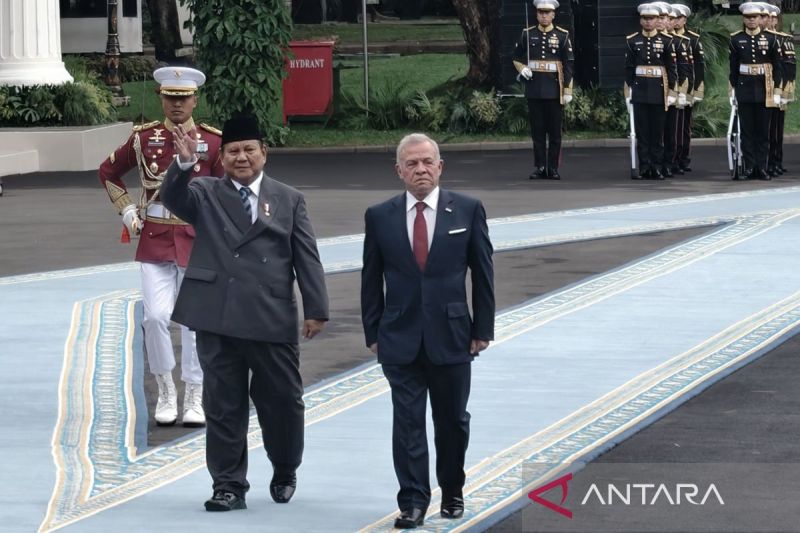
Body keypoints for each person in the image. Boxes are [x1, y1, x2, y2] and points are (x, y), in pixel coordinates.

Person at [161, 114, 329, 512]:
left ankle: (285, 467)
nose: (241, 157)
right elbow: (173, 198)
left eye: (248, 149)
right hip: (216, 315)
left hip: (270, 315)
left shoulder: (289, 199)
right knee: (223, 404)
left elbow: (307, 257)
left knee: (283, 401)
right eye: (233, 151)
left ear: (263, 153)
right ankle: (228, 485)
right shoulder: (204, 192)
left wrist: (315, 308)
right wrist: (183, 164)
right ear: (221, 159)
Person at [360, 133, 495, 528]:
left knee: (452, 421)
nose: (420, 169)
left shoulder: (468, 210)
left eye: (427, 162)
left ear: (440, 166)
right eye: (411, 163)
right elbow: (371, 279)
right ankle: (413, 501)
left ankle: (452, 490)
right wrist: (373, 332)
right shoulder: (379, 216)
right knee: (407, 422)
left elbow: (483, 274)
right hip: (398, 336)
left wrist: (482, 327)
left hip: (453, 335)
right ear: (399, 170)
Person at [98, 66, 223, 427]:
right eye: (170, 98)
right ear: (161, 99)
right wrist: (126, 210)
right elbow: (108, 172)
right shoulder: (143, 138)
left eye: (183, 98)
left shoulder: (213, 142)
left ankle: (195, 393)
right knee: (154, 317)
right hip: (154, 237)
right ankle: (166, 388)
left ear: (195, 99)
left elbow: (225, 191)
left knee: (194, 322)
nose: (177, 105)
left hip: (197, 240)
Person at [512, 0, 574, 180]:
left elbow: (568, 64)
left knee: (555, 133)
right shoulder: (527, 34)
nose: (544, 16)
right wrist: (522, 68)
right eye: (541, 12)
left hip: (555, 91)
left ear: (553, 14)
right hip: (534, 90)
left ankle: (553, 167)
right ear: (536, 14)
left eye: (547, 13)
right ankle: (540, 166)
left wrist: (568, 90)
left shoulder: (562, 35)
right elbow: (516, 57)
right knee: (538, 133)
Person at [729, 2, 783, 180]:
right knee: (747, 132)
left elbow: (778, 67)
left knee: (762, 132)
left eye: (754, 17)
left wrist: (776, 90)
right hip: (744, 89)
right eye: (748, 17)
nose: (751, 20)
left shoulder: (771, 39)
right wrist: (734, 91)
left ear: (761, 19)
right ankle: (750, 167)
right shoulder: (736, 39)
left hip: (764, 89)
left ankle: (762, 167)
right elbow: (734, 68)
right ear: (743, 19)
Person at [625, 3, 678, 180]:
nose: (648, 22)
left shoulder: (666, 41)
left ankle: (656, 166)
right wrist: (628, 92)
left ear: (657, 20)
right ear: (641, 20)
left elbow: (672, 69)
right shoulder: (632, 40)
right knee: (643, 133)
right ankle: (644, 166)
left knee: (657, 133)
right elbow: (629, 69)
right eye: (645, 19)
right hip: (640, 92)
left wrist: (672, 92)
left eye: (652, 19)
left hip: (659, 92)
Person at [657, 3, 692, 178]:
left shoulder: (679, 42)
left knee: (673, 131)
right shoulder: (654, 41)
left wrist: (682, 92)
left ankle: (671, 162)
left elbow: (683, 70)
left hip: (673, 91)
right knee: (657, 130)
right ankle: (656, 163)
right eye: (664, 18)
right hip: (656, 91)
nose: (668, 22)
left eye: (670, 19)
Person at [672, 3, 704, 174]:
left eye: (678, 18)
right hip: (670, 88)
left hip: (687, 88)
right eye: (672, 18)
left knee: (684, 126)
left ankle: (683, 157)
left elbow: (698, 67)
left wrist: (697, 90)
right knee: (672, 126)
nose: (674, 21)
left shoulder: (693, 39)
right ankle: (672, 157)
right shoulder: (667, 38)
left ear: (684, 20)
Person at [765, 3, 795, 176]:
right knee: (768, 128)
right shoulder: (764, 39)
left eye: (774, 17)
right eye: (769, 17)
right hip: (769, 87)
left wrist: (788, 87)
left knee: (778, 127)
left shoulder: (784, 38)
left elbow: (790, 65)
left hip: (783, 87)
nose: (772, 20)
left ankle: (777, 160)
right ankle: (768, 162)